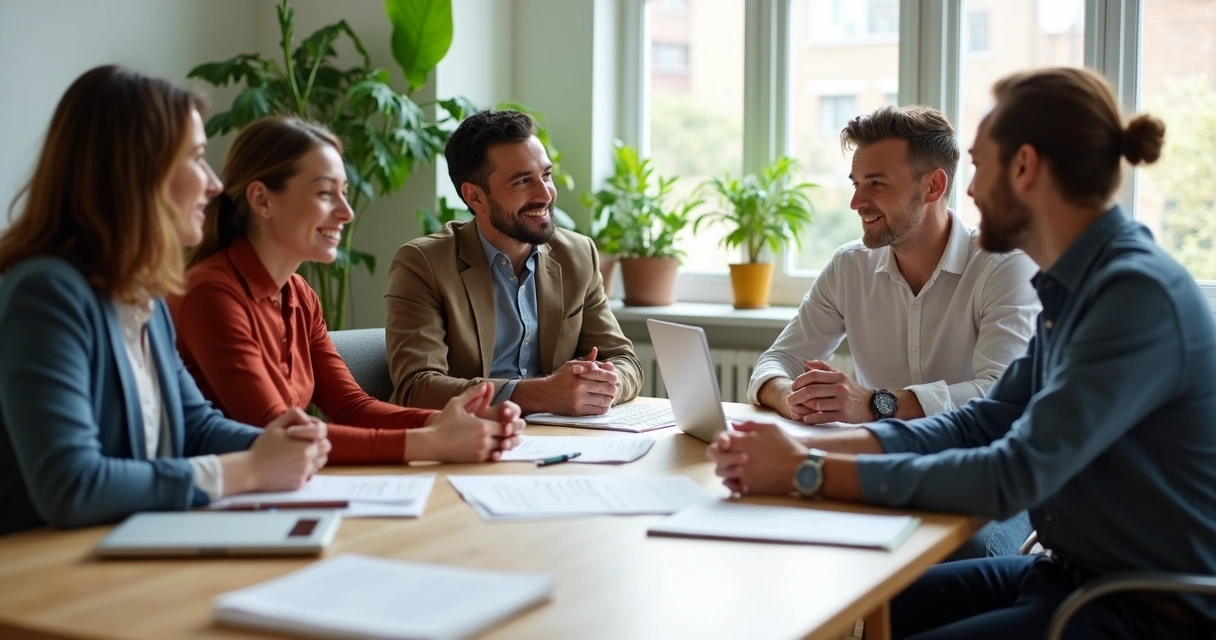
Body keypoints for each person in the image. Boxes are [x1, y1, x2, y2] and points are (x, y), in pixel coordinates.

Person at [710, 67, 1216, 638]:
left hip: (1144, 606)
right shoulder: (1076, 284)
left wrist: (807, 472)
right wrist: (801, 442)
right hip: (1066, 575)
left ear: (1024, 167)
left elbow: (1011, 473)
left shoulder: (1131, 295)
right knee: (863, 607)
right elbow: (987, 419)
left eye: (977, 166)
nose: (968, 190)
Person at [0, 66, 332, 536]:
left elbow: (194, 428)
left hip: (124, 546)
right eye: (197, 158)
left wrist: (282, 443)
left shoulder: (144, 297)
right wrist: (250, 470)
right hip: (40, 570)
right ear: (138, 172)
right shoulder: (47, 293)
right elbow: (70, 486)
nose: (215, 183)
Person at [752, 105, 1039, 559]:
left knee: (960, 557)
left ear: (934, 185)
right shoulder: (851, 267)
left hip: (991, 479)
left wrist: (874, 404)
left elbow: (998, 398)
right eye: (855, 184)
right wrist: (790, 396)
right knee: (772, 521)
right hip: (888, 466)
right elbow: (774, 362)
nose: (856, 202)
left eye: (876, 184)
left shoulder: (1005, 267)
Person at [171, 116, 524, 464]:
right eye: (326, 193)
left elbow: (351, 406)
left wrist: (447, 423)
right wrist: (431, 442)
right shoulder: (211, 294)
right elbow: (274, 430)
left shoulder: (299, 293)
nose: (347, 212)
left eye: (344, 193)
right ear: (262, 200)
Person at [386, 109, 642, 415]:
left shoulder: (577, 254)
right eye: (522, 182)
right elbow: (417, 388)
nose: (545, 194)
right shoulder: (424, 264)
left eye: (546, 175)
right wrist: (540, 395)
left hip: (564, 440)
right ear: (475, 197)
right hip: (471, 443)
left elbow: (624, 360)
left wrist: (604, 383)